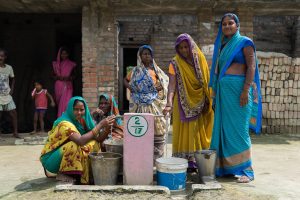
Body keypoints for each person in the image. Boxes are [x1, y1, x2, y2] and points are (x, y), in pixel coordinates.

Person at [209, 13, 262, 183]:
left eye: (230, 23)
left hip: (240, 93)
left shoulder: (245, 43)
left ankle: (247, 170)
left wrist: (245, 90)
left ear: (237, 25)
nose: (227, 26)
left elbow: (251, 66)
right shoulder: (222, 47)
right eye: (224, 24)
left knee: (239, 131)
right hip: (225, 96)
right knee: (225, 132)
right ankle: (226, 168)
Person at [162, 34, 214, 171]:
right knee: (184, 131)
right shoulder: (175, 63)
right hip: (181, 103)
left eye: (186, 47)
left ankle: (198, 160)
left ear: (191, 46)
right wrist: (168, 103)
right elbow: (172, 85)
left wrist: (209, 100)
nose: (184, 50)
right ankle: (185, 161)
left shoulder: (200, 59)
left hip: (201, 101)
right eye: (181, 48)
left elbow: (207, 80)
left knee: (197, 131)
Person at [40, 96, 115, 184]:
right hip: (51, 160)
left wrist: (107, 128)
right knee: (73, 145)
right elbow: (80, 141)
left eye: (81, 109)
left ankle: (83, 173)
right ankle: (63, 173)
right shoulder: (64, 123)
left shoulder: (81, 121)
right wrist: (100, 125)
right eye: (75, 109)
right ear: (70, 109)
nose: (79, 113)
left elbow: (98, 139)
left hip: (64, 155)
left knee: (93, 143)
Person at [124, 45, 169, 161]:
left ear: (152, 56)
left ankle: (155, 156)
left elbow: (164, 82)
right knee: (140, 128)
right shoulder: (135, 71)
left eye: (149, 54)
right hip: (139, 103)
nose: (147, 55)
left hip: (153, 103)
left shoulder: (156, 70)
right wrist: (131, 88)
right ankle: (140, 157)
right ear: (140, 56)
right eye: (144, 53)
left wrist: (159, 87)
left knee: (155, 128)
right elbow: (125, 80)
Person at [0, 48, 20, 138]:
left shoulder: (9, 68)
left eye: (2, 56)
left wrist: (12, 89)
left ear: (5, 57)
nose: (0, 57)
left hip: (6, 94)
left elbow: (13, 78)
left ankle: (15, 132)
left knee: (13, 113)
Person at [53, 46, 76, 117]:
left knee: (67, 103)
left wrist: (68, 78)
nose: (64, 55)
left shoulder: (72, 64)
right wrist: (58, 77)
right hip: (59, 86)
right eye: (62, 54)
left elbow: (75, 75)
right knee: (59, 104)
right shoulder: (56, 65)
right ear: (59, 55)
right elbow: (52, 76)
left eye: (65, 54)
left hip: (67, 86)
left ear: (68, 54)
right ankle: (60, 119)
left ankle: (67, 119)